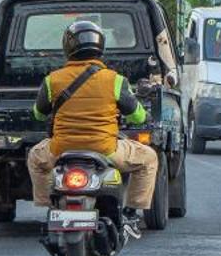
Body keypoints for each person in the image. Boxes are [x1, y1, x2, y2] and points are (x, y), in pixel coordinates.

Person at [27, 19, 158, 236]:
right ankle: (132, 213)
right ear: (100, 48)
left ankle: (50, 206)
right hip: (106, 150)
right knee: (149, 158)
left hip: (60, 150)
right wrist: (144, 115)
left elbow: (38, 113)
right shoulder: (115, 80)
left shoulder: (53, 80)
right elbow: (137, 116)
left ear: (67, 48)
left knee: (34, 157)